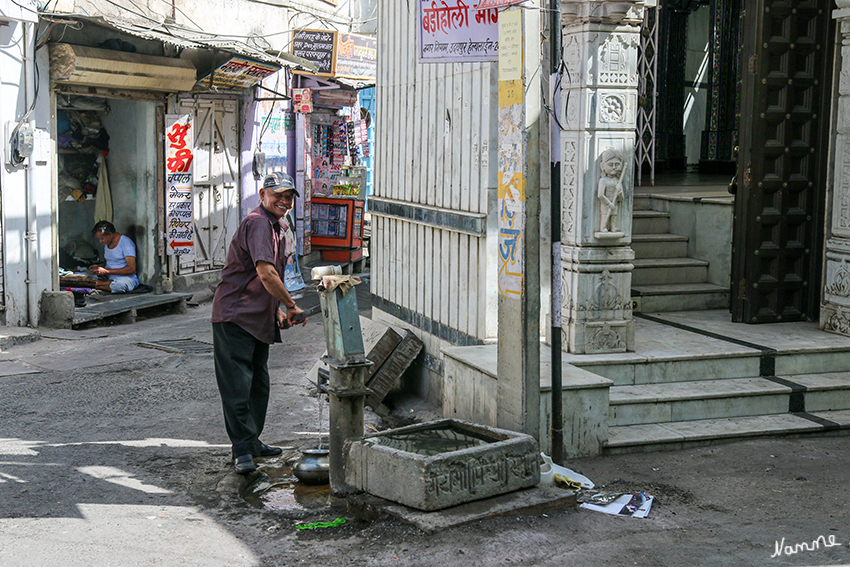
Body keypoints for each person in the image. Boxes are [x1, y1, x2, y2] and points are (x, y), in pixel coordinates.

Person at [211, 171, 306, 475]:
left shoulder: (276, 225)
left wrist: (276, 308)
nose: (284, 200)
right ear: (263, 194)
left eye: (289, 196)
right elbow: (266, 273)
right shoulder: (257, 223)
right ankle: (242, 451)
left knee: (258, 386)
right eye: (278, 194)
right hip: (236, 316)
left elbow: (262, 278)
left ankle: (251, 442)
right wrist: (291, 305)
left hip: (256, 318)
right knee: (238, 387)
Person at [90, 221, 140, 293]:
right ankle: (101, 285)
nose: (100, 241)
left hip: (125, 278)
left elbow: (131, 269)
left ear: (110, 234)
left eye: (102, 239)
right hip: (108, 277)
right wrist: (98, 267)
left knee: (119, 286)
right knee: (81, 275)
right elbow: (110, 261)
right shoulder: (107, 243)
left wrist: (106, 271)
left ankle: (95, 285)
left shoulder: (126, 243)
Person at [597, 148, 625, 233]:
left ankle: (613, 227)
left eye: (617, 164)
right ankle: (603, 227)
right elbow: (600, 195)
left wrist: (620, 193)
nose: (614, 167)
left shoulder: (617, 181)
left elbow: (621, 198)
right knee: (605, 215)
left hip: (615, 203)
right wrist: (609, 203)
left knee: (614, 216)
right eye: (610, 164)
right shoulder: (603, 180)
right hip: (606, 204)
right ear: (603, 166)